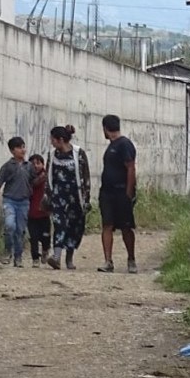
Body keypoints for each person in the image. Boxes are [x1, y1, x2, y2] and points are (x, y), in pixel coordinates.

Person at [45, 125, 91, 270]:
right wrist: (48, 194)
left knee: (74, 226)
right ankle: (56, 257)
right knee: (59, 224)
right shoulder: (52, 155)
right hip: (58, 195)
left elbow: (85, 175)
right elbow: (48, 175)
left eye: (53, 139)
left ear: (61, 140)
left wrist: (86, 197)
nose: (52, 143)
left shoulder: (78, 153)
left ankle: (69, 259)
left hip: (76, 196)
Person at [97, 114, 138, 273]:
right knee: (107, 225)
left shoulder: (124, 144)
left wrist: (128, 192)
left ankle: (131, 259)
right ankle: (108, 261)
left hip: (121, 192)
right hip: (107, 192)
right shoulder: (111, 146)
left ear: (106, 129)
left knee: (126, 227)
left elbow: (131, 167)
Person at [0, 136, 36, 267]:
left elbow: (34, 181)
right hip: (10, 200)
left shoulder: (29, 167)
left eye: (23, 147)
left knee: (20, 230)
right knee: (10, 226)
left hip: (24, 202)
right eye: (18, 147)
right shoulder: (7, 167)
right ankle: (7, 251)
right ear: (12, 151)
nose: (22, 150)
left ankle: (18, 256)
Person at [27, 154, 51, 267]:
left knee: (46, 236)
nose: (35, 166)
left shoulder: (48, 177)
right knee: (34, 238)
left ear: (43, 164)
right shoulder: (26, 178)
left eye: (38, 163)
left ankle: (45, 250)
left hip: (44, 213)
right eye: (33, 164)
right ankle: (35, 258)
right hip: (31, 214)